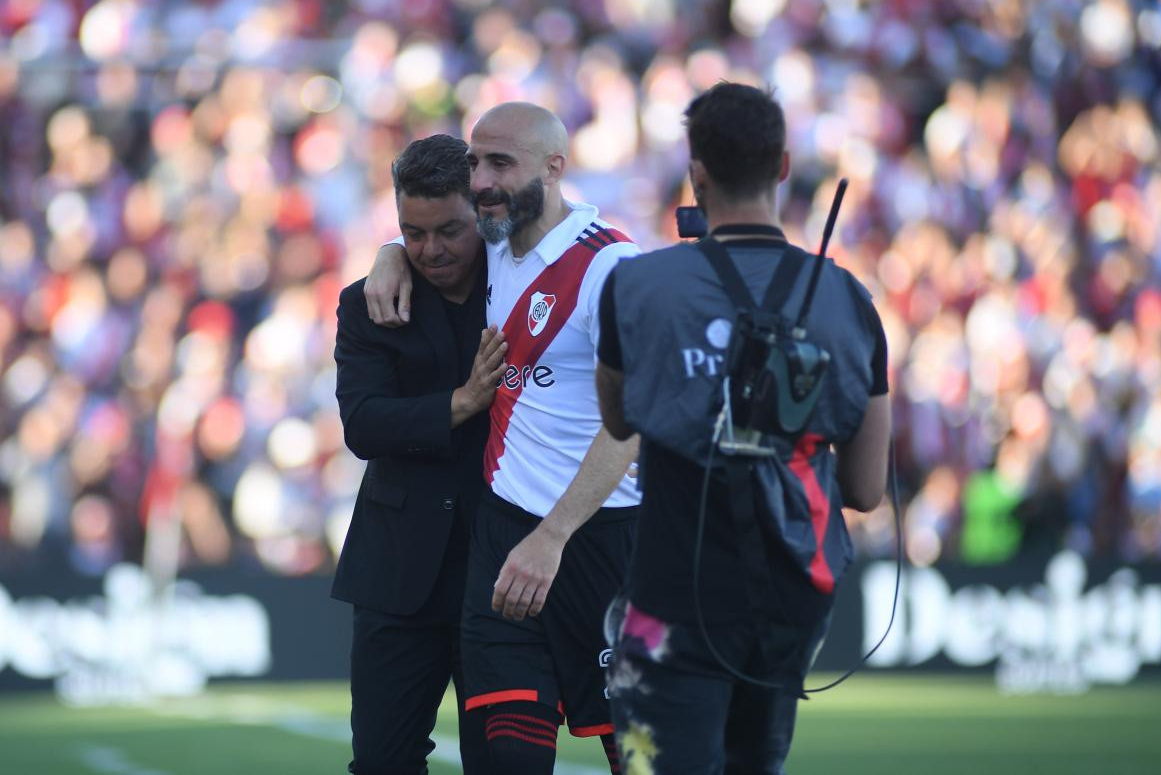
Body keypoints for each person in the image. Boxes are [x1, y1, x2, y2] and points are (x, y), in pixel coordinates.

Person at [595, 82, 891, 774]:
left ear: (695, 172)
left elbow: (618, 420)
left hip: (675, 588)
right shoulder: (847, 298)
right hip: (793, 593)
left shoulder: (639, 287)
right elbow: (867, 488)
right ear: (783, 166)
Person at [365, 102, 641, 775]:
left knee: (641, 758)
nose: (480, 180)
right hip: (503, 534)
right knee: (505, 760)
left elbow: (629, 424)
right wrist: (390, 254)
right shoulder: (492, 244)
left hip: (602, 539)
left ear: (554, 168)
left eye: (500, 163)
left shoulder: (611, 268)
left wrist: (554, 536)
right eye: (475, 162)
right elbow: (431, 236)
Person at [332, 134, 505, 774]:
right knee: (381, 763)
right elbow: (363, 424)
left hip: (498, 571)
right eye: (412, 232)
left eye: (449, 230)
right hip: (396, 575)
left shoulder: (520, 285)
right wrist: (461, 403)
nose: (431, 250)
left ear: (483, 212)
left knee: (502, 763)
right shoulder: (366, 302)